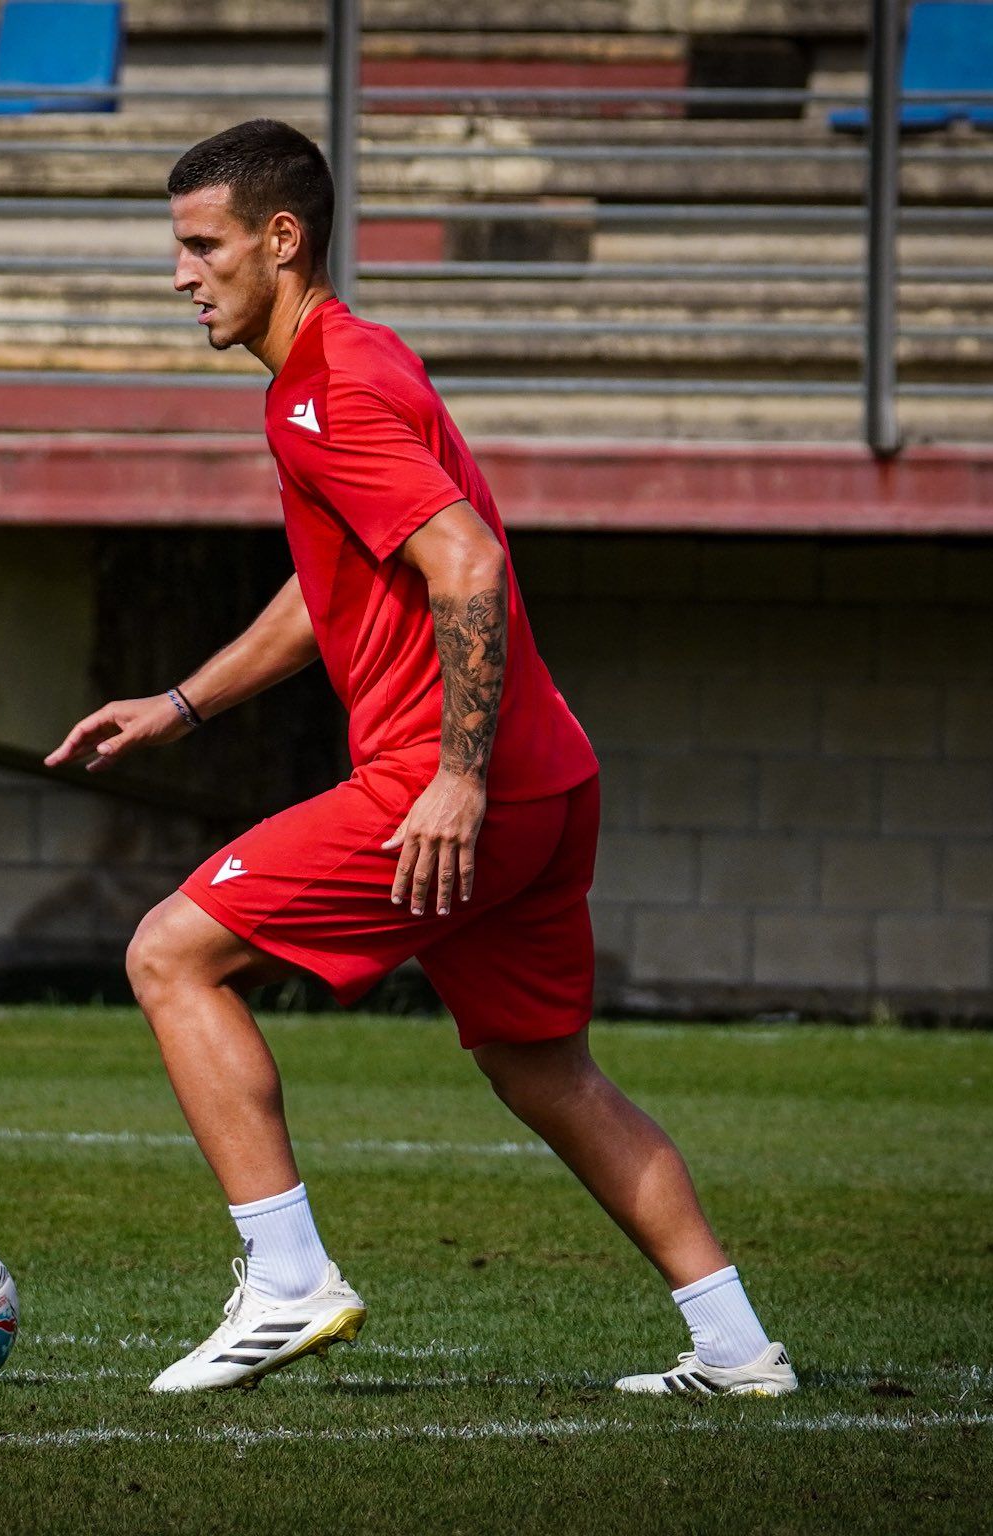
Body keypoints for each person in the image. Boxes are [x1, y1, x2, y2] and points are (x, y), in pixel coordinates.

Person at [46, 119, 795, 1399]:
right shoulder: (357, 358)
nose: (179, 273)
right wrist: (183, 703)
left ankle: (286, 1280)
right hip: (551, 783)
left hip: (445, 791)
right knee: (540, 1068)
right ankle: (735, 1348)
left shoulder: (321, 391)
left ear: (279, 241)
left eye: (198, 244)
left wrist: (452, 774)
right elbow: (340, 581)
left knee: (168, 951)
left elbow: (467, 564)